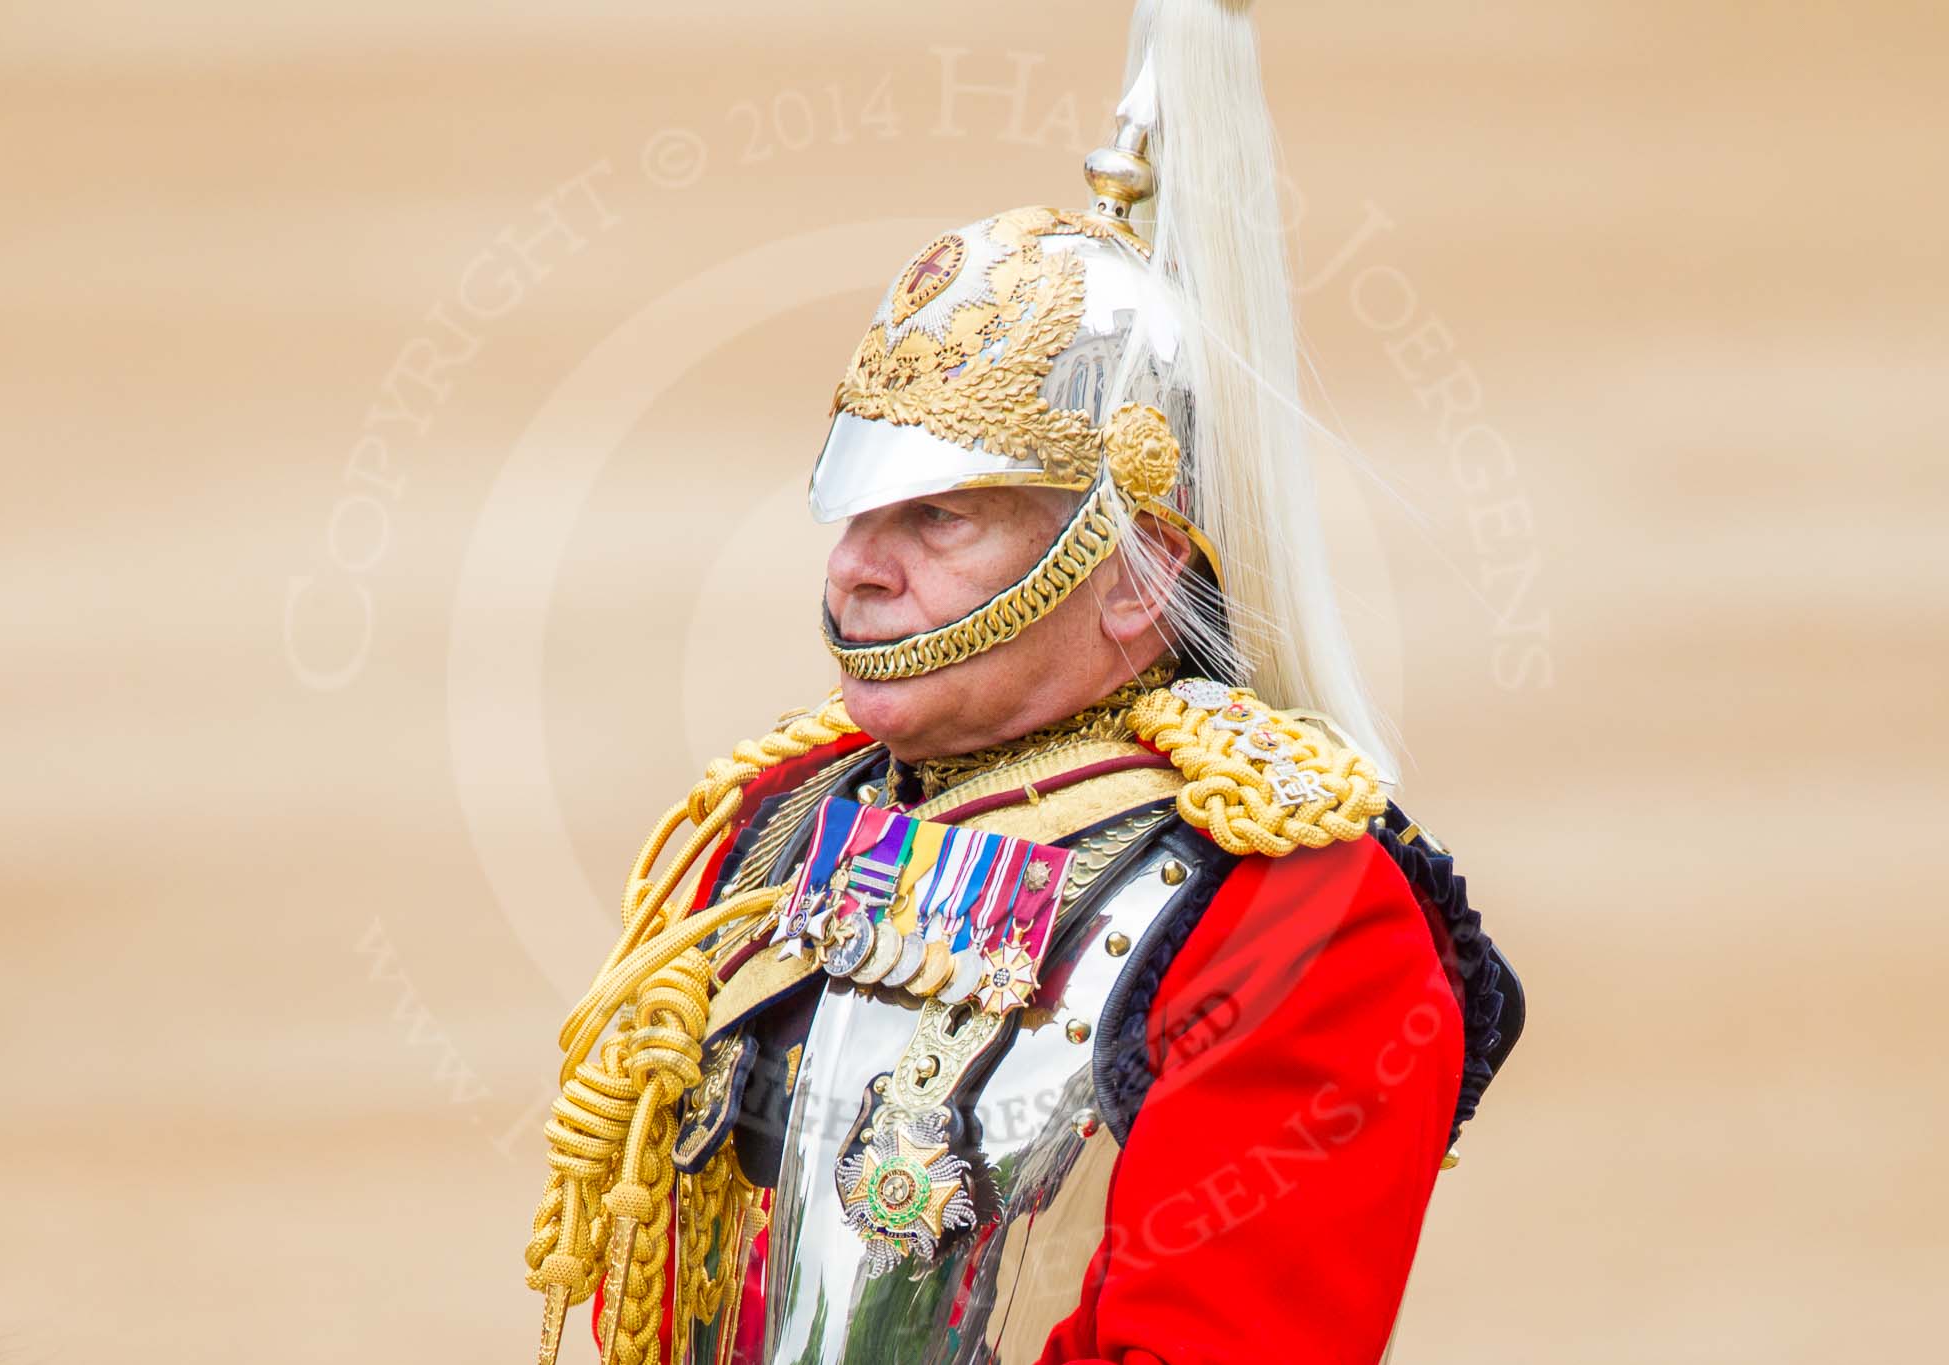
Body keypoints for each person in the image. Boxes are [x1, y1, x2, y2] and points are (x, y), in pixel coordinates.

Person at [518, 3, 1524, 1362]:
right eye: (861, 507)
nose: (860, 569)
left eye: (942, 517)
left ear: (1130, 575)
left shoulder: (1303, 915)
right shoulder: (771, 819)